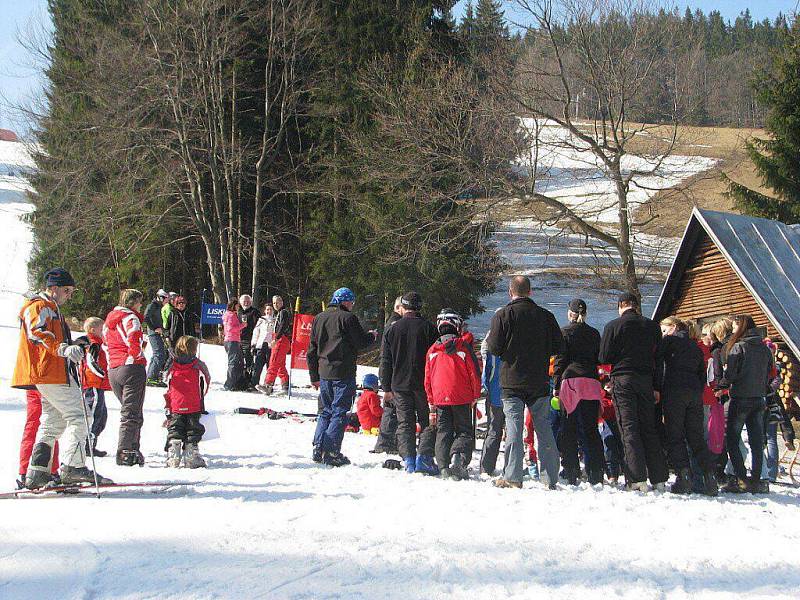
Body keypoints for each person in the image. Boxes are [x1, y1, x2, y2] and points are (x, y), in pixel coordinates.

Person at [14, 267, 111, 489]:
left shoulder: (52, 309)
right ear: (54, 288)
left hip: (52, 372)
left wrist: (75, 345)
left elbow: (54, 340)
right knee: (81, 415)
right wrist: (63, 349)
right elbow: (36, 333)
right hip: (48, 372)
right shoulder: (39, 306)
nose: (70, 295)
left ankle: (38, 471)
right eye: (67, 290)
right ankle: (73, 467)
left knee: (53, 422)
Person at [486, 275, 563, 490]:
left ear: (510, 292)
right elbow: (559, 346)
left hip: (512, 382)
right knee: (544, 430)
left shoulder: (503, 315)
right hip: (539, 381)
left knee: (514, 429)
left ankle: (512, 476)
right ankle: (550, 478)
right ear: (530, 292)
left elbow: (493, 348)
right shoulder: (546, 316)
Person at [598, 292, 667, 492]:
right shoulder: (652, 326)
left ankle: (637, 478)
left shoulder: (613, 326)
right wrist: (656, 386)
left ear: (621, 306)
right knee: (649, 427)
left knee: (629, 428)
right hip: (646, 380)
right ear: (636, 306)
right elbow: (659, 358)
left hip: (623, 379)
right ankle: (659, 477)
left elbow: (604, 356)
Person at [307, 287, 376, 467]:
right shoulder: (348, 318)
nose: (352, 306)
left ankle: (318, 447)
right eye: (351, 302)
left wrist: (313, 375)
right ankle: (331, 451)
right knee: (340, 411)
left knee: (325, 411)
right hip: (343, 372)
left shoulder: (319, 318)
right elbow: (360, 342)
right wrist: (371, 337)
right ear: (345, 302)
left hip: (323, 372)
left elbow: (311, 350)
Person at [656, 317, 718, 496]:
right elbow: (701, 373)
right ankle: (709, 477)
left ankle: (684, 477)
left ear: (674, 327)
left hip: (674, 391)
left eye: (664, 329)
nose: (662, 333)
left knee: (675, 436)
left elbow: (659, 365)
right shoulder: (694, 346)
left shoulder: (668, 342)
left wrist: (658, 388)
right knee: (696, 437)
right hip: (694, 394)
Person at [379, 291, 439, 474]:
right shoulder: (429, 328)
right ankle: (424, 456)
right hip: (423, 384)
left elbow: (386, 360)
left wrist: (386, 387)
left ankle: (409, 460)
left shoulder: (393, 328)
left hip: (399, 384)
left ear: (403, 307)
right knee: (427, 422)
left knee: (405, 423)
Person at [552, 299, 605, 486]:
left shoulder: (565, 332)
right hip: (591, 381)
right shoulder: (594, 333)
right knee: (591, 428)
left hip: (571, 380)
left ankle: (571, 469)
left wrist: (556, 386)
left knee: (568, 428)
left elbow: (559, 360)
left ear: (570, 313)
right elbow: (599, 358)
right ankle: (596, 470)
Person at [425, 309, 482, 480]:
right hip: (462, 396)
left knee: (443, 431)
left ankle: (443, 466)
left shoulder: (432, 351)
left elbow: (427, 378)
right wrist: (475, 395)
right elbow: (474, 373)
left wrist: (431, 400)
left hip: (440, 397)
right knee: (464, 430)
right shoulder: (463, 347)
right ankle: (458, 458)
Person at [719, 315, 774, 493]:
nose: (733, 330)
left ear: (740, 326)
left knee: (733, 440)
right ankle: (757, 480)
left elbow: (731, 375)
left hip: (741, 397)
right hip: (759, 398)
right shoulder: (765, 349)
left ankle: (741, 478)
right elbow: (769, 373)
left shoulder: (738, 347)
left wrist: (722, 381)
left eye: (734, 326)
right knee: (757, 441)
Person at [105, 288, 149, 466]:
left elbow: (106, 343)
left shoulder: (110, 320)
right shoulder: (131, 318)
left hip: (114, 368)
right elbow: (133, 339)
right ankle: (125, 451)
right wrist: (137, 354)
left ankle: (132, 448)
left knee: (130, 410)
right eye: (139, 301)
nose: (141, 305)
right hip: (131, 367)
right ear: (133, 302)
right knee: (131, 412)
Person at [164, 336, 210, 469]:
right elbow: (206, 380)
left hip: (176, 404)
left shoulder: (172, 364)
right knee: (193, 430)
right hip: (193, 404)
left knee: (175, 428)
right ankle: (191, 455)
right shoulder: (198, 364)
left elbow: (165, 378)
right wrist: (201, 396)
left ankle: (173, 454)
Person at [371, 296, 403, 454]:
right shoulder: (394, 325)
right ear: (398, 308)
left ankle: (388, 442)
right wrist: (385, 384)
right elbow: (386, 356)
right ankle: (385, 444)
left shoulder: (393, 323)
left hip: (391, 373)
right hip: (392, 374)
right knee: (391, 410)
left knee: (392, 410)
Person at [75, 317, 110, 458]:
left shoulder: (94, 343)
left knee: (101, 415)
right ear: (93, 330)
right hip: (92, 383)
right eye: (102, 330)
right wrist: (101, 373)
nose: (103, 333)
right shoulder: (93, 343)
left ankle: (91, 444)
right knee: (95, 413)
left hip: (95, 384)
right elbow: (91, 361)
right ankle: (87, 445)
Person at [16, 390, 61, 488]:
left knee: (33, 424)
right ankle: (50, 471)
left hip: (30, 382)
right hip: (47, 381)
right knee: (50, 427)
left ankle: (25, 471)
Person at [479, 333, 504, 476]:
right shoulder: (517, 338)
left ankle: (486, 467)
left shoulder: (492, 341)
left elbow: (487, 371)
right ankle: (512, 468)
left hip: (495, 393)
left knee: (493, 430)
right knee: (513, 432)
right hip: (512, 392)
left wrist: (485, 386)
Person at [261, 295, 292, 395]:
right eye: (274, 303)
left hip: (281, 340)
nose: (275, 305)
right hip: (282, 339)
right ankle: (285, 385)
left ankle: (268, 384)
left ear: (282, 302)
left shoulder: (283, 312)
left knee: (273, 362)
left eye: (277, 302)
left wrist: (276, 338)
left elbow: (283, 325)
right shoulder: (280, 313)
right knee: (280, 364)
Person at [144, 289, 170, 387]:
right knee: (159, 354)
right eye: (165, 299)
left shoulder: (159, 306)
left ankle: (151, 375)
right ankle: (151, 377)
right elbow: (146, 317)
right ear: (161, 297)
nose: (166, 302)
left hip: (158, 332)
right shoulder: (153, 305)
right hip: (153, 333)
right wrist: (154, 328)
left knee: (159, 354)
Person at [222, 298, 248, 391]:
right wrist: (242, 326)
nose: (238, 307)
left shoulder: (230, 314)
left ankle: (235, 383)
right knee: (233, 363)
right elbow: (230, 329)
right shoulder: (230, 315)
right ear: (233, 305)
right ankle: (229, 384)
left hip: (233, 340)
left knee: (237, 362)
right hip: (232, 340)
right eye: (237, 305)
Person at [250, 304, 275, 388]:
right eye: (267, 310)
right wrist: (253, 344)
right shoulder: (261, 320)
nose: (269, 311)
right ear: (264, 311)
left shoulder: (275, 320)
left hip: (270, 346)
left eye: (270, 309)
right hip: (261, 345)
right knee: (258, 366)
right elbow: (256, 332)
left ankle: (268, 384)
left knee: (270, 367)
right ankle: (254, 383)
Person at [238, 294, 261, 378]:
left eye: (248, 301)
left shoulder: (255, 312)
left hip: (249, 340)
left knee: (249, 360)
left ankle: (249, 379)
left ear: (251, 302)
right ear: (241, 302)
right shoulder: (238, 312)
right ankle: (240, 379)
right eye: (244, 301)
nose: (246, 303)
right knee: (238, 361)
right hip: (238, 340)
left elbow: (258, 326)